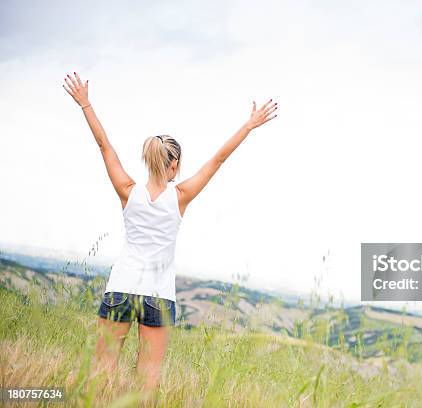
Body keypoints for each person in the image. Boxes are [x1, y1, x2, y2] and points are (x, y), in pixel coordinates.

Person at [62, 72, 278, 396]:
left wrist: (85, 103)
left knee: (102, 369)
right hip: (158, 295)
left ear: (148, 161)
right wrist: (249, 125)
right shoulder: (181, 197)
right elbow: (218, 159)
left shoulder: (126, 190)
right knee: (148, 378)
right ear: (174, 165)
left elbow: (104, 145)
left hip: (122, 286)